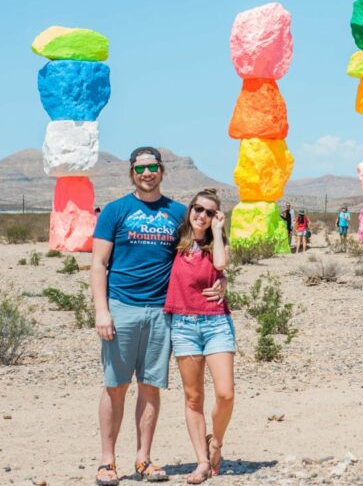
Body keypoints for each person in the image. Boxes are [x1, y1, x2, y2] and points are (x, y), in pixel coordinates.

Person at [90, 147, 226, 486]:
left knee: (151, 387)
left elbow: (205, 253)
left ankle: (143, 459)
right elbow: (98, 264)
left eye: (153, 167)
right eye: (141, 168)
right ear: (132, 173)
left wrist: (222, 280)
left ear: (162, 171)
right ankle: (107, 461)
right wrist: (101, 310)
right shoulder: (115, 211)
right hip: (121, 307)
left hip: (163, 311)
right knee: (116, 385)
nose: (147, 173)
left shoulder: (178, 213)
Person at [164, 189, 234, 484]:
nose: (202, 215)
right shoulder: (174, 243)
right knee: (193, 397)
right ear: (189, 209)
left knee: (225, 393)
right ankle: (202, 462)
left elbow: (220, 265)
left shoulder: (218, 244)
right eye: (198, 209)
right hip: (183, 324)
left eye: (209, 212)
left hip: (216, 323)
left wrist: (217, 232)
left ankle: (215, 440)